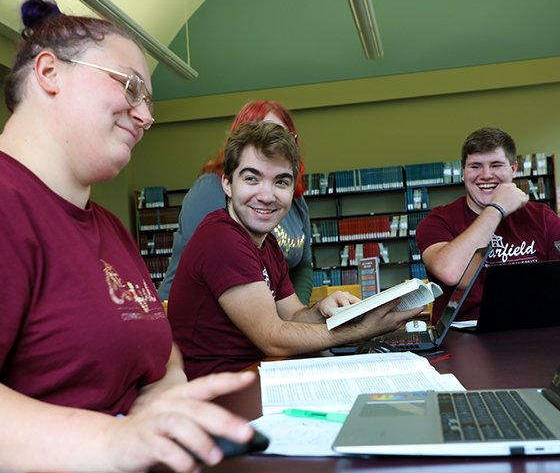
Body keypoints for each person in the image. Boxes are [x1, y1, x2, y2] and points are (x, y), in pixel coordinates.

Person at [0, 0, 257, 473]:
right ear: (50, 72)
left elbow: (160, 351)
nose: (145, 116)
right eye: (132, 87)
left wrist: (165, 400)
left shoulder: (111, 229)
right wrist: (116, 441)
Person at [167, 122, 422, 379]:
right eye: (252, 179)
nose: (267, 195)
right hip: (216, 396)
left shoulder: (269, 243)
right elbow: (273, 337)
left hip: (257, 376)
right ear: (227, 184)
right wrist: (362, 330)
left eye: (281, 182)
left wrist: (322, 309)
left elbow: (292, 317)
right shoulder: (221, 238)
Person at [158, 100, 313, 304]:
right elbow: (220, 265)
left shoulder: (294, 203)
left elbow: (303, 266)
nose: (266, 197)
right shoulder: (210, 190)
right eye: (251, 178)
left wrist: (296, 312)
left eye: (282, 135)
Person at [416, 127, 560, 322]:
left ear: (514, 169)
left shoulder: (542, 217)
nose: (485, 175)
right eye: (475, 166)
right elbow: (452, 274)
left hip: (533, 330)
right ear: (463, 172)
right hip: (462, 338)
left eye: (496, 165)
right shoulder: (438, 221)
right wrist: (496, 208)